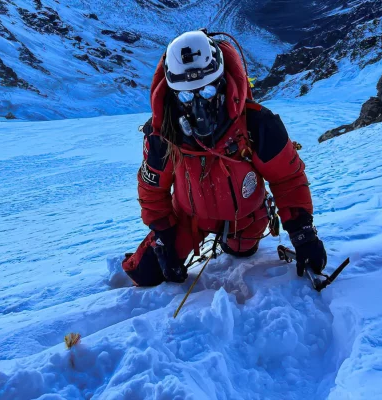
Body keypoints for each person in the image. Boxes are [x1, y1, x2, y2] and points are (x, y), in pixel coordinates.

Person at [122, 30, 327, 286]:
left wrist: (303, 234)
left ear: (221, 81)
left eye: (207, 92)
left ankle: (236, 238)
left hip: (247, 215)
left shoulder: (257, 123)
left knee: (242, 251)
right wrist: (163, 235)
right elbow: (152, 190)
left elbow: (288, 179)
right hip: (188, 218)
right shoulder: (162, 133)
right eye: (187, 96)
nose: (198, 104)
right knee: (146, 273)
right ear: (173, 93)